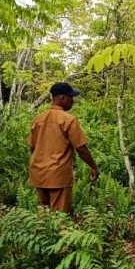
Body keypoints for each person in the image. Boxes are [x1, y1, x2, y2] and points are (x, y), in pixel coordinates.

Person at [27, 82, 99, 214]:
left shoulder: (37, 119)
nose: (73, 101)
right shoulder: (69, 120)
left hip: (38, 174)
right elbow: (81, 148)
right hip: (58, 176)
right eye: (71, 97)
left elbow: (32, 148)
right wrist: (93, 166)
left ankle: (42, 235)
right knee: (59, 217)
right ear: (62, 98)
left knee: (43, 215)